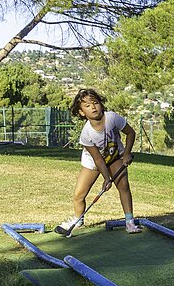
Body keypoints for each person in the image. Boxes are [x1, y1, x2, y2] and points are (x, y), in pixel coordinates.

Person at [56, 88, 140, 236]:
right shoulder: (86, 134)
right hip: (93, 161)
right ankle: (78, 220)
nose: (93, 107)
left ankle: (129, 222)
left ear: (101, 104)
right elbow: (98, 159)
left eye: (95, 103)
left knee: (123, 185)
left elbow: (130, 133)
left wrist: (126, 153)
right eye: (87, 106)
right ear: (82, 112)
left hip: (115, 156)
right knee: (79, 194)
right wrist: (106, 178)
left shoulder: (112, 118)